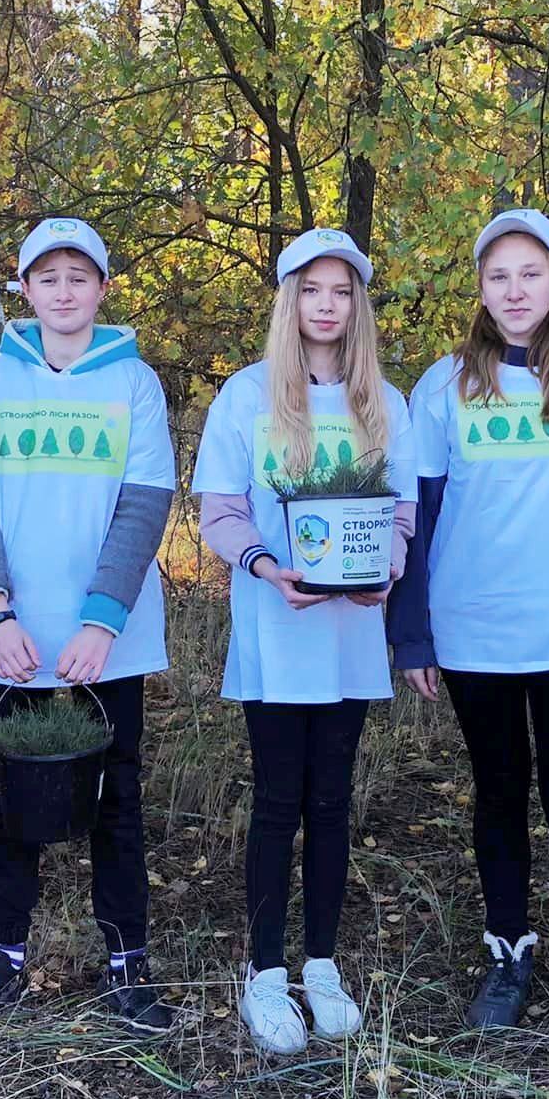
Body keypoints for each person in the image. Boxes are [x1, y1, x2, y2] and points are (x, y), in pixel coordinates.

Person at [386, 208, 549, 1043]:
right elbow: (416, 515)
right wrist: (413, 631)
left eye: (531, 273)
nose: (515, 289)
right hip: (474, 635)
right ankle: (508, 953)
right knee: (498, 793)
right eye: (498, 275)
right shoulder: (444, 386)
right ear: (480, 287)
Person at [0, 217, 177, 1035]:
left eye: (80, 276)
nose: (65, 291)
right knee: (8, 803)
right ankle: (4, 956)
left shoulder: (135, 384)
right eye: (48, 277)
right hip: (10, 636)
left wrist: (101, 621)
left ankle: (127, 964)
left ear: (103, 288)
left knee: (117, 800)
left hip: (106, 639)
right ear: (25, 289)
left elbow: (143, 506)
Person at [191, 227, 415, 1055]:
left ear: (358, 304)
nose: (327, 305)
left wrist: (385, 570)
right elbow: (221, 510)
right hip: (277, 630)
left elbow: (401, 513)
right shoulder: (247, 397)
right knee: (277, 802)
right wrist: (262, 565)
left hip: (350, 633)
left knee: (332, 802)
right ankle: (265, 972)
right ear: (290, 301)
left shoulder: (383, 402)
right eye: (312, 290)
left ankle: (321, 963)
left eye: (342, 291)